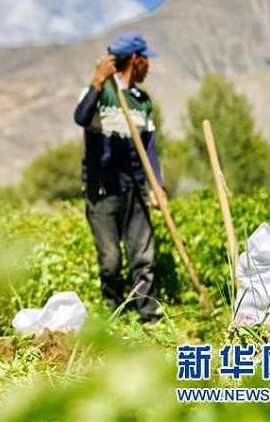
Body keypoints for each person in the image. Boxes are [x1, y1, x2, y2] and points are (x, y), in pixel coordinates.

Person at [73, 31, 165, 324]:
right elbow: (81, 117)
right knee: (111, 260)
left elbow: (149, 146)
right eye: (146, 59)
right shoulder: (100, 93)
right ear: (135, 60)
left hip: (135, 188)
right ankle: (114, 315)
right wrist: (98, 81)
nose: (149, 66)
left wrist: (157, 185)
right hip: (103, 191)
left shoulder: (142, 100)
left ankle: (147, 316)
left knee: (143, 257)